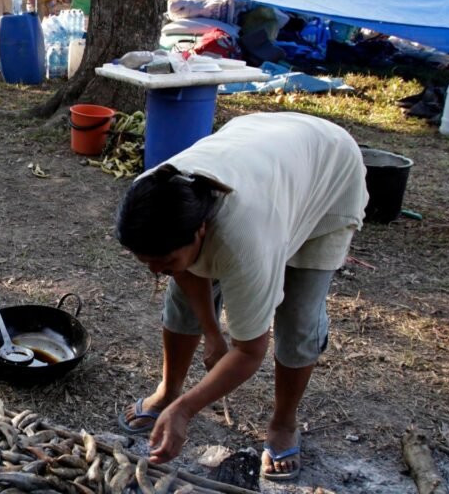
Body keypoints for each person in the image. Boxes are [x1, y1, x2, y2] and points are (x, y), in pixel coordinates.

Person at [114, 112, 368, 482]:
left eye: (162, 259)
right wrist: (213, 335)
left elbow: (250, 350)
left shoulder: (244, 241)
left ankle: (283, 423)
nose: (153, 269)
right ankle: (168, 390)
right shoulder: (156, 195)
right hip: (263, 145)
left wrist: (187, 411)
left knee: (299, 317)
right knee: (180, 294)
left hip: (326, 172)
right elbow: (184, 270)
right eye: (145, 260)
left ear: (201, 230)